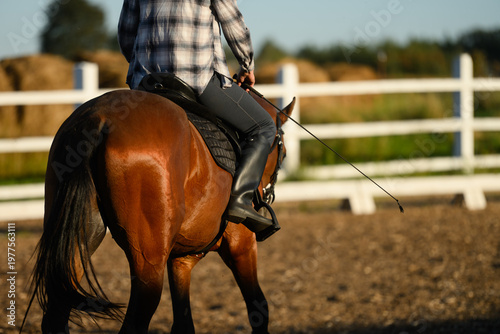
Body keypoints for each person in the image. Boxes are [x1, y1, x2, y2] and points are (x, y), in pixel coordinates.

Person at [118, 0, 278, 239]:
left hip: (146, 83)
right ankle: (241, 200)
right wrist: (246, 64)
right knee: (263, 126)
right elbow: (233, 23)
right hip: (196, 79)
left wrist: (145, 62)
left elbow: (126, 34)